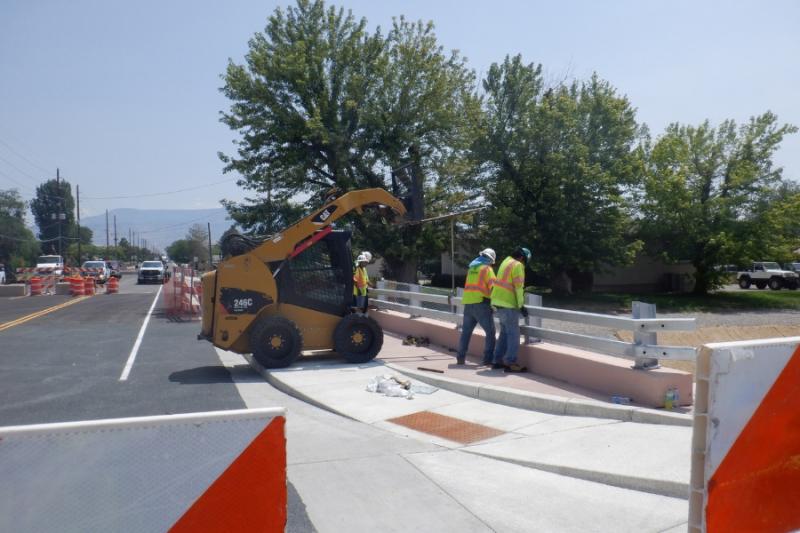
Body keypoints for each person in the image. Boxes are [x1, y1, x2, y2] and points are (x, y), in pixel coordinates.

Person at [490, 246, 532, 373]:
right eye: (525, 261)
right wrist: (521, 305)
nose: (524, 264)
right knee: (514, 334)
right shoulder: (517, 265)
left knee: (504, 334)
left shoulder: (505, 262)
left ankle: (497, 361)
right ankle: (510, 362)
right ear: (522, 257)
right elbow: (519, 287)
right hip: (509, 304)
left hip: (498, 303)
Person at [455, 248, 497, 365]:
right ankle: (487, 359)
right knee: (490, 332)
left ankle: (460, 357)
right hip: (481, 304)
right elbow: (493, 288)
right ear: (490, 259)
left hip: (468, 304)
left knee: (466, 332)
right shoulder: (487, 269)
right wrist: (496, 304)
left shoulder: (472, 268)